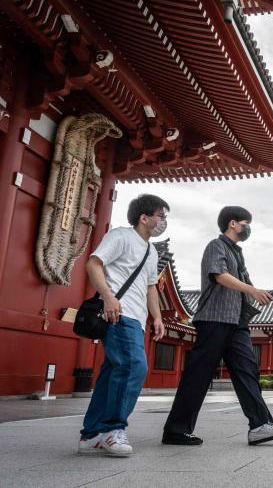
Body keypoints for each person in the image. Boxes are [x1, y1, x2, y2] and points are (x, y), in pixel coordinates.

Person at [163, 206, 273, 446]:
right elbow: (218, 274)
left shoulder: (238, 254)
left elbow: (244, 287)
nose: (248, 228)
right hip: (214, 319)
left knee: (248, 372)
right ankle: (176, 430)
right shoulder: (216, 246)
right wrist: (252, 289)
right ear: (233, 223)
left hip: (237, 322)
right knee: (198, 376)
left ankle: (260, 425)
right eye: (246, 223)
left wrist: (261, 293)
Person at [79, 195, 168, 456]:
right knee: (133, 367)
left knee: (110, 375)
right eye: (161, 216)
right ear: (144, 217)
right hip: (119, 314)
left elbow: (151, 286)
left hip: (137, 319)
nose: (163, 221)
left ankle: (91, 434)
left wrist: (157, 317)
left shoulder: (151, 251)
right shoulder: (121, 236)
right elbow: (93, 263)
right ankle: (112, 430)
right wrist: (108, 297)